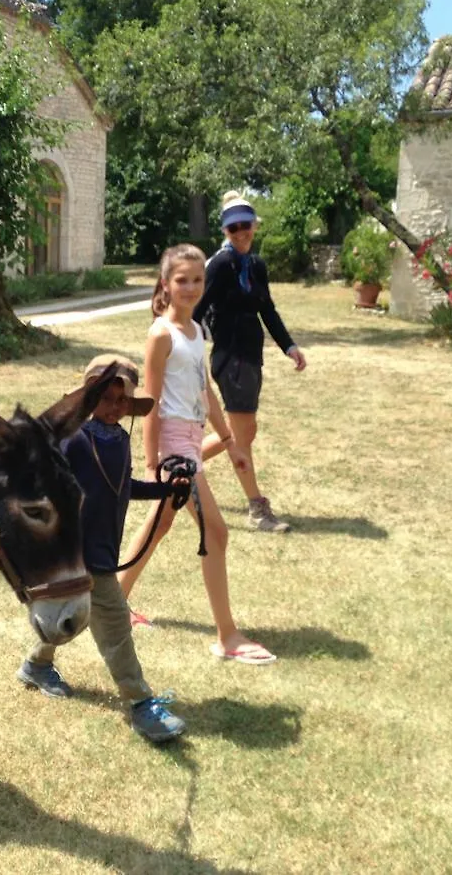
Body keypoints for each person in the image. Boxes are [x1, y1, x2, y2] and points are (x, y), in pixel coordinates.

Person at [15, 354, 188, 742]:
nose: (113, 407)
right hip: (79, 551)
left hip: (104, 547)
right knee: (115, 625)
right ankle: (141, 703)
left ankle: (36, 665)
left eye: (121, 400)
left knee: (73, 618)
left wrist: (165, 489)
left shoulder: (121, 440)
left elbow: (122, 487)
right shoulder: (74, 439)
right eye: (104, 398)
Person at [116, 245, 276, 665]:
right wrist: (153, 465)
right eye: (181, 279)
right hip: (173, 448)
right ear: (165, 284)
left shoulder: (196, 331)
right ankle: (227, 636)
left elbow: (205, 389)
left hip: (192, 438)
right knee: (217, 534)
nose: (190, 287)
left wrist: (231, 441)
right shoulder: (161, 334)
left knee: (161, 523)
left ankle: (113, 601)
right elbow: (149, 399)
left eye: (197, 280)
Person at [195, 192, 307, 533]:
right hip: (231, 358)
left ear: (255, 226)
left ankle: (176, 468)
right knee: (239, 438)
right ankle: (257, 509)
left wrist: (288, 346)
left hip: (252, 355)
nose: (243, 232)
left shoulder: (256, 265)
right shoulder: (219, 265)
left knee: (243, 431)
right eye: (235, 227)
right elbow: (196, 311)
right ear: (226, 231)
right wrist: (185, 354)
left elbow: (267, 309)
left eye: (248, 225)